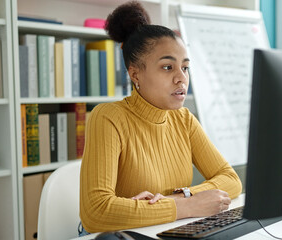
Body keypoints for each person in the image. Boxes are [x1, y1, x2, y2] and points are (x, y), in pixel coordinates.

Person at [79, 0, 242, 235]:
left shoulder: (184, 119)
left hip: (165, 229)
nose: (181, 78)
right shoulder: (108, 117)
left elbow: (230, 179)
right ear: (135, 74)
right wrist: (186, 206)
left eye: (185, 68)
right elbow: (96, 213)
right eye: (168, 67)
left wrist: (182, 196)